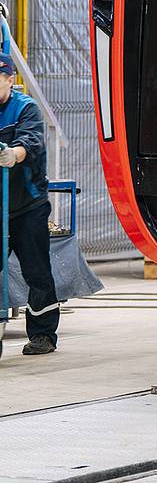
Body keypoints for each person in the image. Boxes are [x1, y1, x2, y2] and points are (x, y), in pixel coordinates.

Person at [0, 52, 57, 353]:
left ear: (10, 80)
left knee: (35, 270)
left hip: (28, 207)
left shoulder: (25, 109)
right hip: (0, 208)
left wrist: (14, 154)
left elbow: (32, 143)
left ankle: (43, 334)